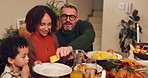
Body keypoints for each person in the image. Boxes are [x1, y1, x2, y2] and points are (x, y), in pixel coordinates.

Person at [25, 5, 72, 78]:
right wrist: (34, 66)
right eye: (42, 24)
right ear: (34, 24)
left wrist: (65, 57)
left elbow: (59, 63)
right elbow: (29, 71)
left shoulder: (53, 37)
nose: (46, 28)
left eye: (49, 24)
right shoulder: (28, 42)